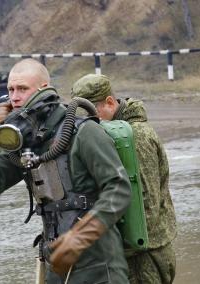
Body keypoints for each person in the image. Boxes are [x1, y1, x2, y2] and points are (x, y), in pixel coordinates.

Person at [0, 59, 132, 283]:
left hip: (100, 267)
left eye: (22, 89)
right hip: (57, 267)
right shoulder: (25, 146)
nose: (14, 97)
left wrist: (79, 238)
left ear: (44, 90)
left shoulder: (84, 132)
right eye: (10, 90)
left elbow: (119, 189)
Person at [71, 73, 177, 284]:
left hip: (145, 254)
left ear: (110, 103)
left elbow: (145, 204)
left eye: (92, 114)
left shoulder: (135, 137)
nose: (87, 123)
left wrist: (116, 251)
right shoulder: (111, 135)